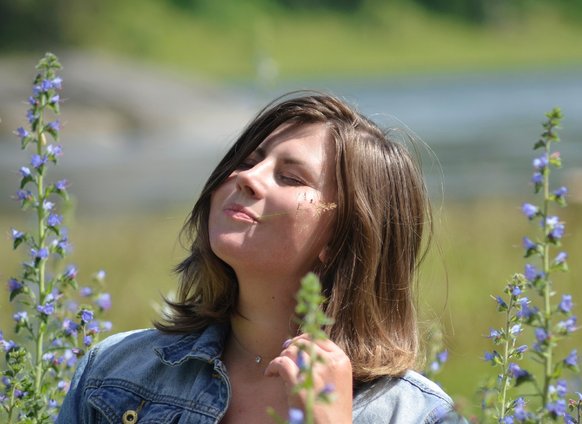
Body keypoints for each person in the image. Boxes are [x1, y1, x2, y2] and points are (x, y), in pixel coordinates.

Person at [57, 92, 463, 423]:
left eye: (290, 177)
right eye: (248, 161)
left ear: (343, 239)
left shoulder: (416, 415)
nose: (246, 177)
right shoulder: (113, 372)